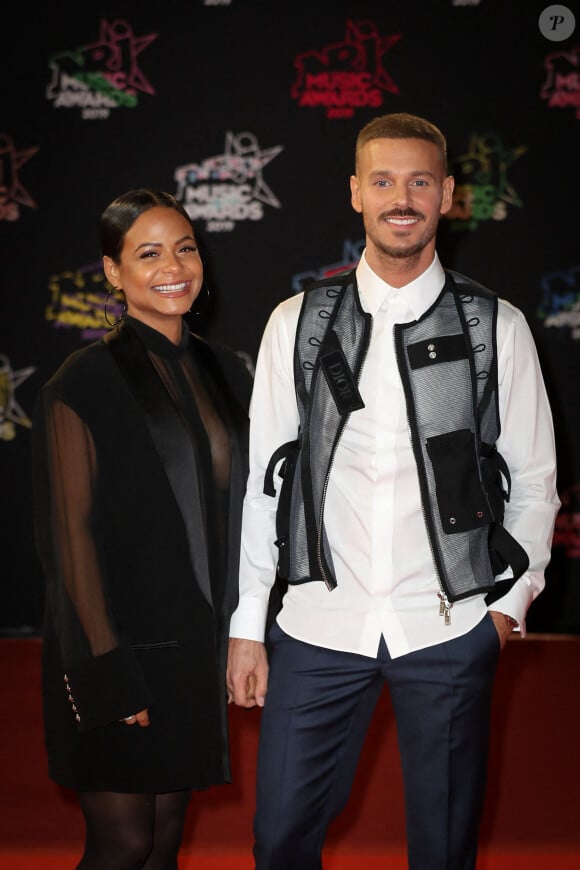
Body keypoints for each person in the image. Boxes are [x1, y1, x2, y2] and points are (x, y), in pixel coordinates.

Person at [226, 113, 560, 870]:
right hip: (317, 626)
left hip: (447, 629)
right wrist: (249, 624)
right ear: (355, 193)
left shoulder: (494, 327)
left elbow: (536, 483)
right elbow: (264, 487)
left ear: (447, 195)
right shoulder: (299, 324)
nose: (399, 198)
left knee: (443, 852)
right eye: (382, 181)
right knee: (278, 839)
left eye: (418, 182)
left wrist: (504, 612)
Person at [32, 188, 252, 869]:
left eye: (185, 248)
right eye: (148, 253)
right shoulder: (83, 383)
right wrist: (107, 673)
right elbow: (70, 545)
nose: (173, 266)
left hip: (190, 651)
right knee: (123, 844)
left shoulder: (228, 371)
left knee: (162, 846)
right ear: (112, 271)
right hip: (114, 651)